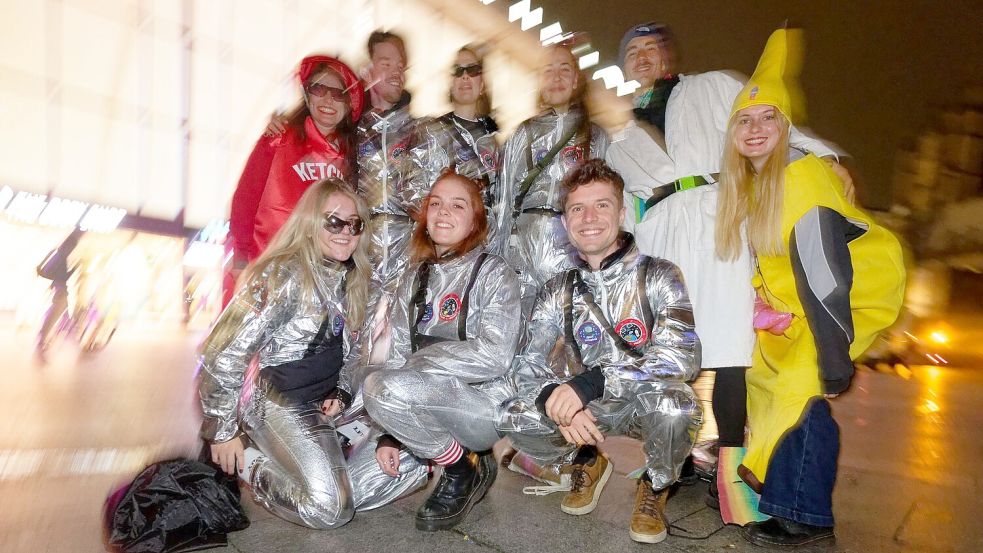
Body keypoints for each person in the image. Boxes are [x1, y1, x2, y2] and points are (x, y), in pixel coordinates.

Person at [605, 22, 854, 499]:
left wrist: (824, 158)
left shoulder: (713, 85)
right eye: (632, 51)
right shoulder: (619, 128)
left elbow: (772, 120)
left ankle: (732, 463)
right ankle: (668, 460)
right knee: (670, 350)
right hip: (657, 231)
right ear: (623, 65)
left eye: (651, 48)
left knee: (731, 344)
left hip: (717, 215)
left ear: (668, 58)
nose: (642, 57)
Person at [714, 29, 904, 546]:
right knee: (765, 386)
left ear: (786, 126)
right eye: (744, 120)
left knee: (805, 393)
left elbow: (824, 269)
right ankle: (775, 493)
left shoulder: (801, 179)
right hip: (795, 310)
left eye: (767, 118)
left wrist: (833, 352)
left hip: (839, 304)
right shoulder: (753, 188)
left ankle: (806, 516)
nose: (755, 129)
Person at [199, 178, 428, 529]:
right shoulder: (281, 273)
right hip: (278, 401)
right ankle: (251, 461)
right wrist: (223, 430)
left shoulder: (354, 279)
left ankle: (329, 482)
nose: (346, 232)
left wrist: (343, 391)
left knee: (417, 454)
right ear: (309, 224)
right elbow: (223, 350)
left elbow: (356, 355)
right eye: (334, 221)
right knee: (329, 510)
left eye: (355, 224)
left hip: (327, 405)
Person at [500, 159, 701, 544]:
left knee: (679, 406)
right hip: (588, 411)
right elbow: (527, 364)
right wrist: (552, 401)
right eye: (577, 208)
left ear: (622, 213)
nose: (589, 217)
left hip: (644, 402)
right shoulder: (557, 288)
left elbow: (681, 356)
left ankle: (655, 486)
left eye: (602, 205)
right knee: (511, 415)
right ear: (565, 220)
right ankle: (587, 460)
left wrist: (593, 382)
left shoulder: (659, 274)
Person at [362, 171, 521, 531]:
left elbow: (495, 357)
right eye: (435, 203)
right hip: (414, 406)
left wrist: (416, 369)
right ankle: (442, 453)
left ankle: (462, 465)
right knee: (347, 498)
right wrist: (389, 431)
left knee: (380, 386)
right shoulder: (414, 276)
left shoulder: (495, 273)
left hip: (479, 406)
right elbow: (397, 354)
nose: (443, 212)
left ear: (476, 221)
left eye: (457, 205)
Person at [227, 55, 362, 304]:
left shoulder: (353, 157)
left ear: (349, 103)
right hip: (268, 271)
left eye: (338, 93)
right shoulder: (278, 139)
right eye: (319, 88)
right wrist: (241, 259)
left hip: (322, 282)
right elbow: (245, 200)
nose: (328, 99)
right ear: (307, 94)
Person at [498, 41, 610, 315]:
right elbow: (504, 199)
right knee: (520, 323)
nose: (556, 78)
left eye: (564, 69)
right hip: (522, 245)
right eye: (548, 70)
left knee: (567, 323)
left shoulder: (595, 136)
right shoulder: (522, 134)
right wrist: (499, 254)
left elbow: (606, 199)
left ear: (575, 80)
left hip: (571, 244)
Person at [410, 45, 504, 248]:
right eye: (458, 71)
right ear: (450, 84)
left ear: (482, 85)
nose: (465, 77)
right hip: (443, 240)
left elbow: (501, 200)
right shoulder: (430, 131)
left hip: (484, 243)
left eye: (472, 70)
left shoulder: (494, 143)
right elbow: (413, 192)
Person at [355, 30, 427, 293]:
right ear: (367, 71)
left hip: (406, 260)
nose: (397, 72)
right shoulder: (349, 127)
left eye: (400, 66)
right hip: (355, 254)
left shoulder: (420, 132)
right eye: (386, 64)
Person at [36, 227, 84, 355]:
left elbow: (57, 275)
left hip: (60, 291)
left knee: (58, 314)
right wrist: (75, 267)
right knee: (53, 316)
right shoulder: (61, 257)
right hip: (60, 292)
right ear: (69, 246)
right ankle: (42, 340)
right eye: (72, 246)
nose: (73, 249)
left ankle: (47, 338)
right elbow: (60, 276)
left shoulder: (60, 256)